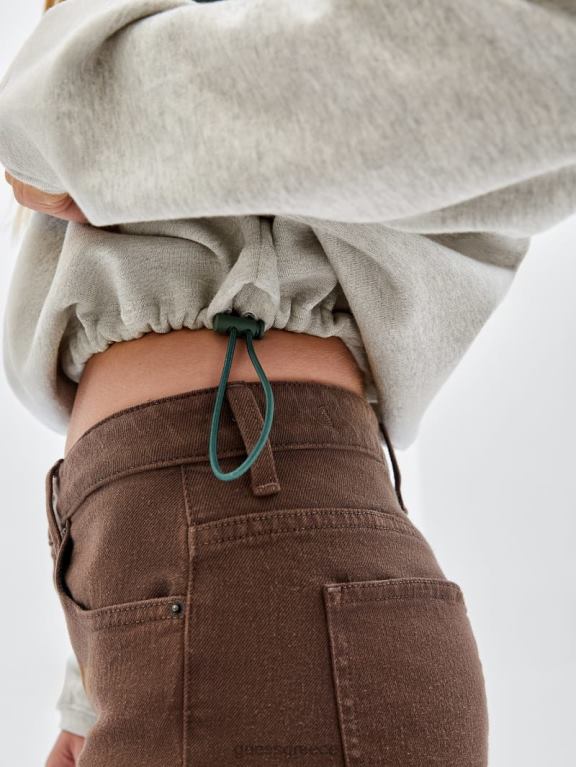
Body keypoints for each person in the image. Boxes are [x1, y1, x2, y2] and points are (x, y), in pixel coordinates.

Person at [1, 0, 575, 765]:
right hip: (206, 589)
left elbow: (549, 52)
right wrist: (95, 675)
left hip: (259, 589)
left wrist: (90, 125)